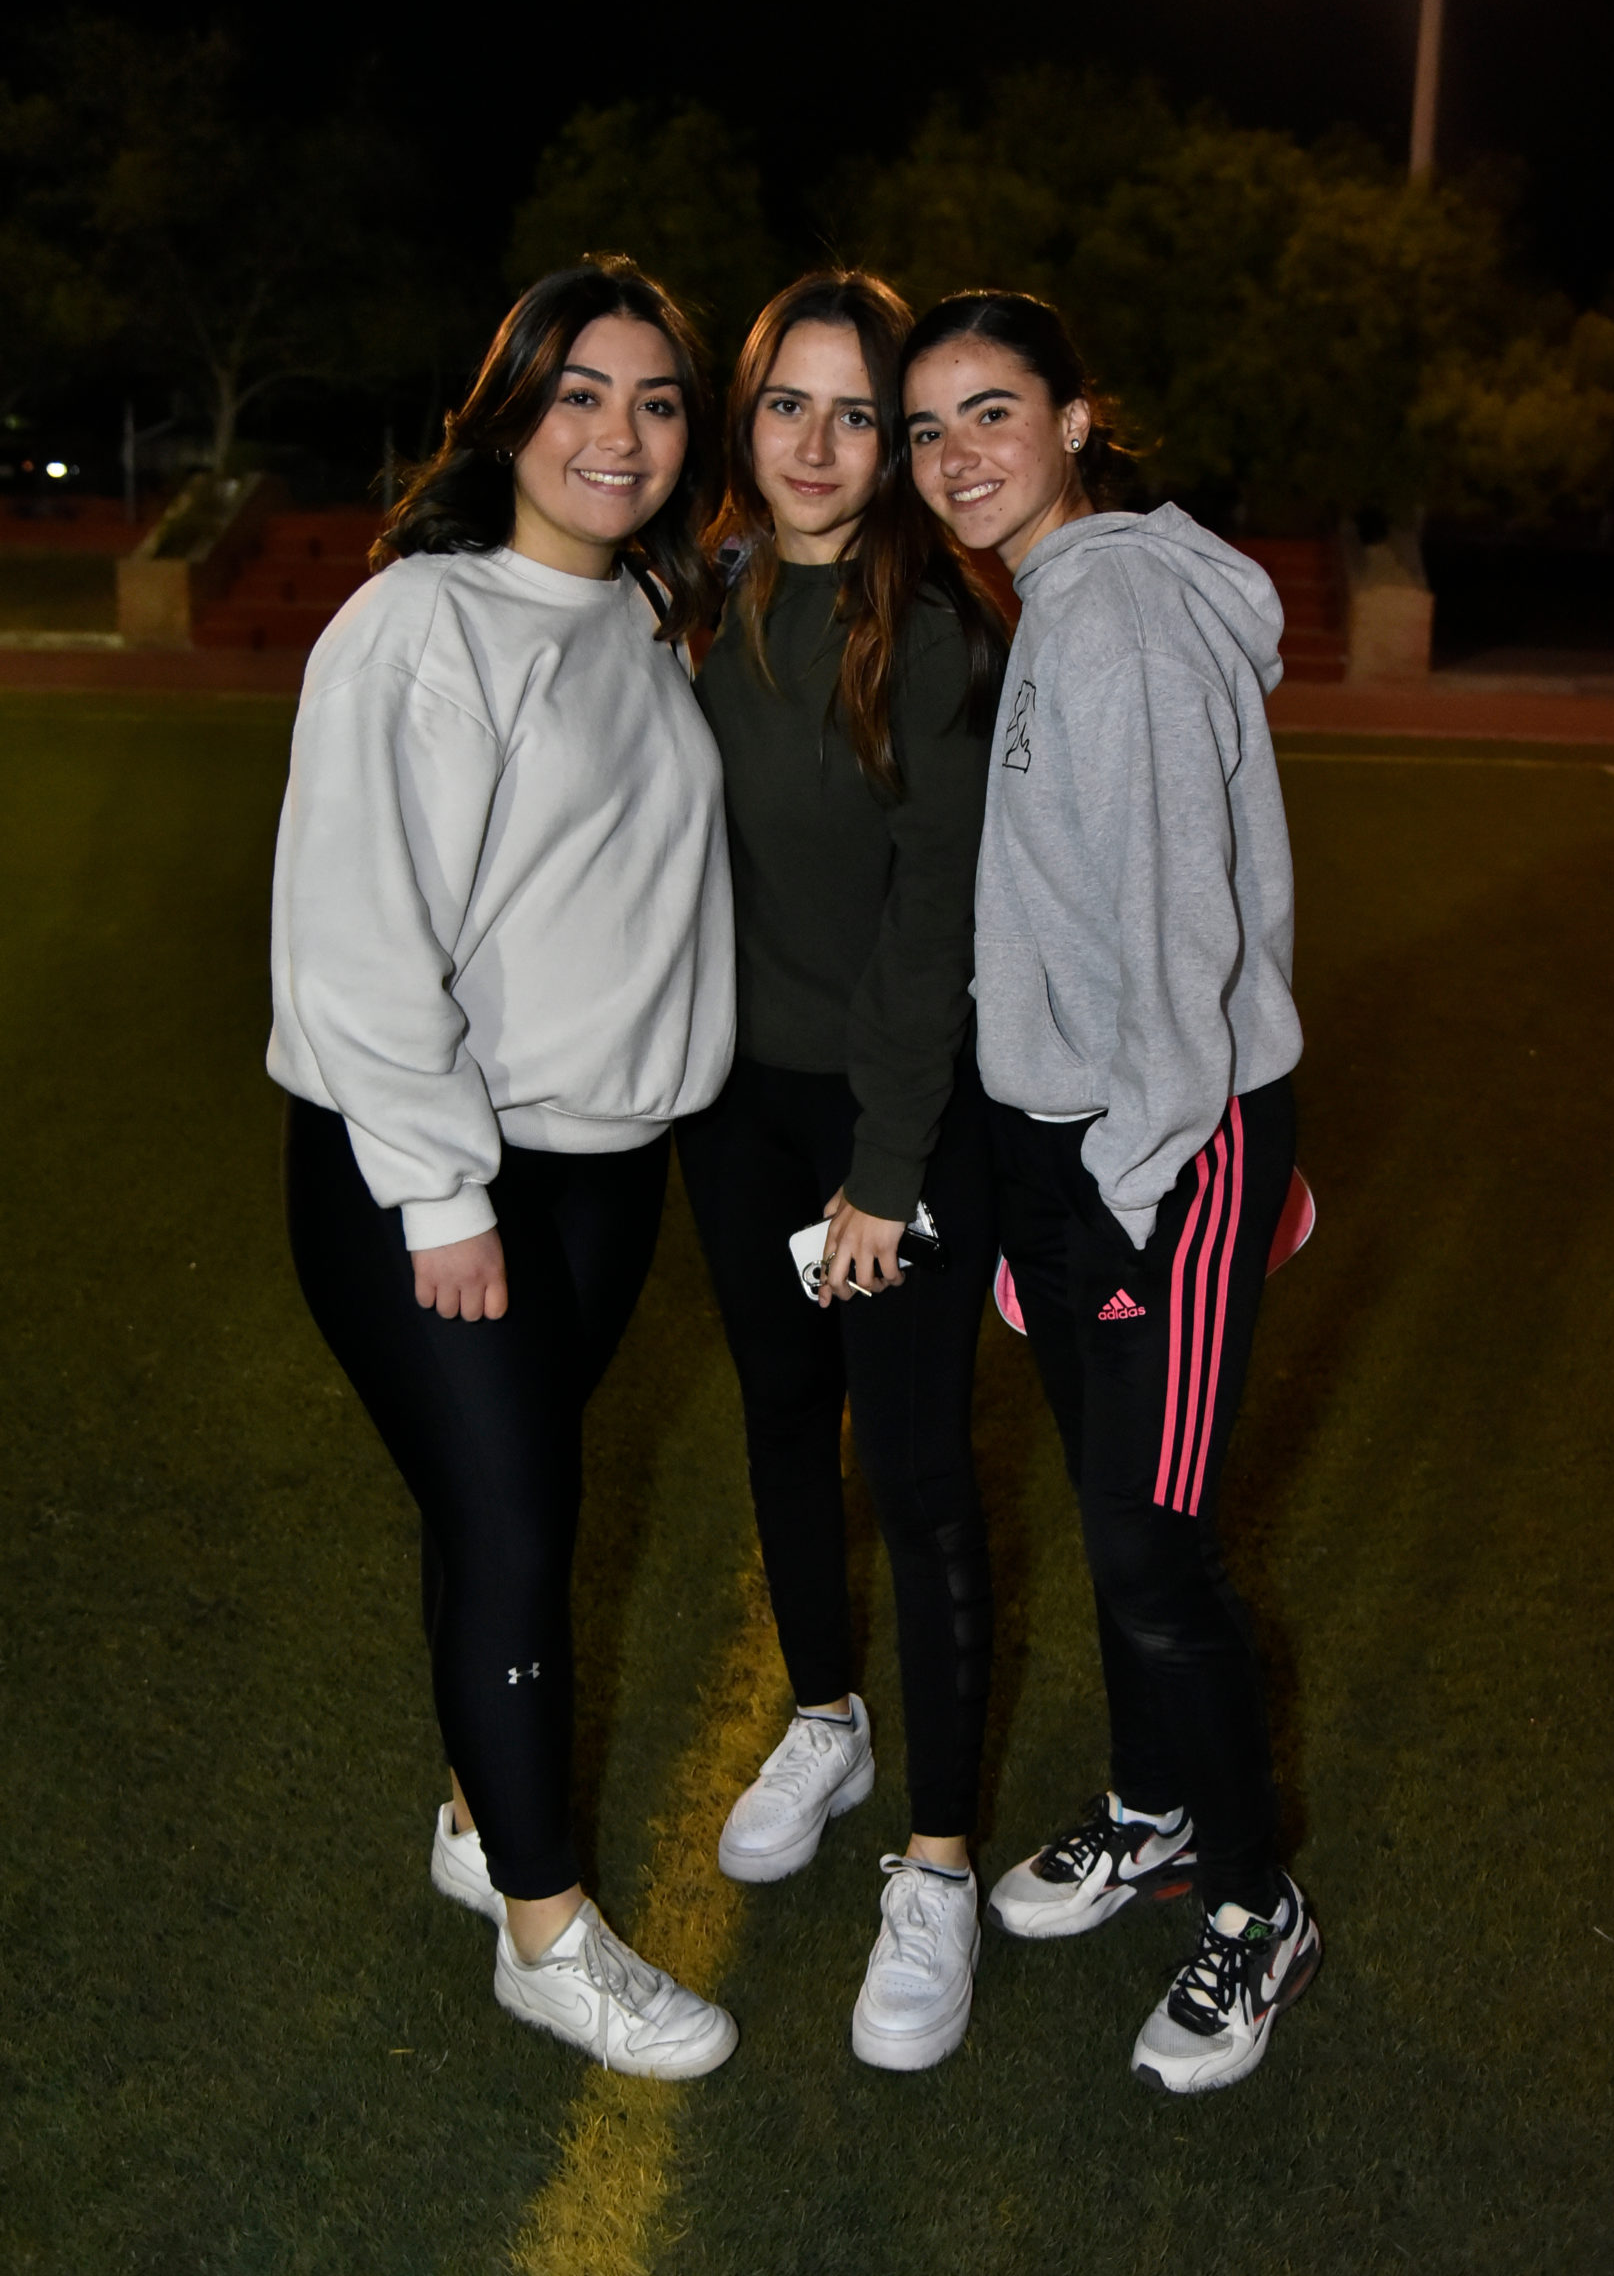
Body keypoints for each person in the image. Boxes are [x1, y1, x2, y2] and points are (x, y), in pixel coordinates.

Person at [269, 259, 741, 2079]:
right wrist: (442, 1199)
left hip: (608, 1166)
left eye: (656, 401)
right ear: (511, 410)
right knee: (521, 1528)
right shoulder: (417, 626)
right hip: (433, 1173)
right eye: (580, 395)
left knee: (494, 1514)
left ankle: (482, 1821)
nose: (617, 434)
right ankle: (545, 1933)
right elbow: (359, 940)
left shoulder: (639, 612)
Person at [902, 289, 1321, 2096]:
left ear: (1078, 417)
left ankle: (1250, 1901)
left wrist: (1136, 1188)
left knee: (1152, 1552)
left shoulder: (1126, 613)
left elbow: (1172, 937)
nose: (954, 458)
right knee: (1109, 1518)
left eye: (991, 412)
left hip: (1163, 1140)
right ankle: (1153, 1808)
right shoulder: (1059, 600)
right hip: (1068, 1149)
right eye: (927, 430)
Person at [675, 271, 1007, 2071]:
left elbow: (933, 927)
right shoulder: (699, 595)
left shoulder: (937, 633)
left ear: (892, 441)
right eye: (784, 406)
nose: (814, 446)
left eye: (854, 413)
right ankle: (827, 1716)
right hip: (735, 1115)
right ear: (745, 422)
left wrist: (884, 1172)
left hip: (895, 1123)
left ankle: (939, 1860)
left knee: (922, 1466)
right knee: (779, 1417)